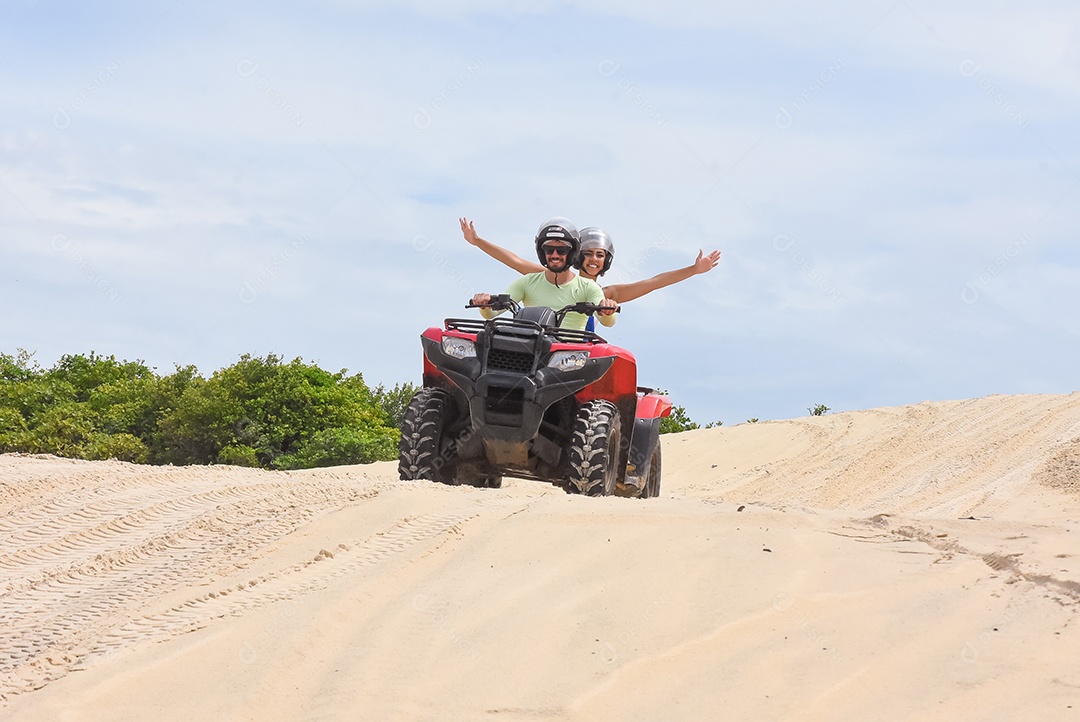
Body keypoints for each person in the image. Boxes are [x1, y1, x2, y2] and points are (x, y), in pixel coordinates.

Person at [460, 217, 721, 306]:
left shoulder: (608, 294)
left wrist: (694, 270)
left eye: (600, 255)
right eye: (588, 253)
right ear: (576, 254)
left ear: (607, 260)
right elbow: (514, 260)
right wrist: (477, 241)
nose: (594, 259)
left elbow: (652, 283)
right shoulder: (546, 276)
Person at [470, 217, 618, 332]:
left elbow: (607, 322)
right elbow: (492, 314)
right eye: (548, 249)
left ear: (572, 253)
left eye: (561, 250)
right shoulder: (526, 282)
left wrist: (607, 309)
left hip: (569, 359)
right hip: (528, 352)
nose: (554, 255)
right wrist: (485, 304)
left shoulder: (589, 287)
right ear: (542, 253)